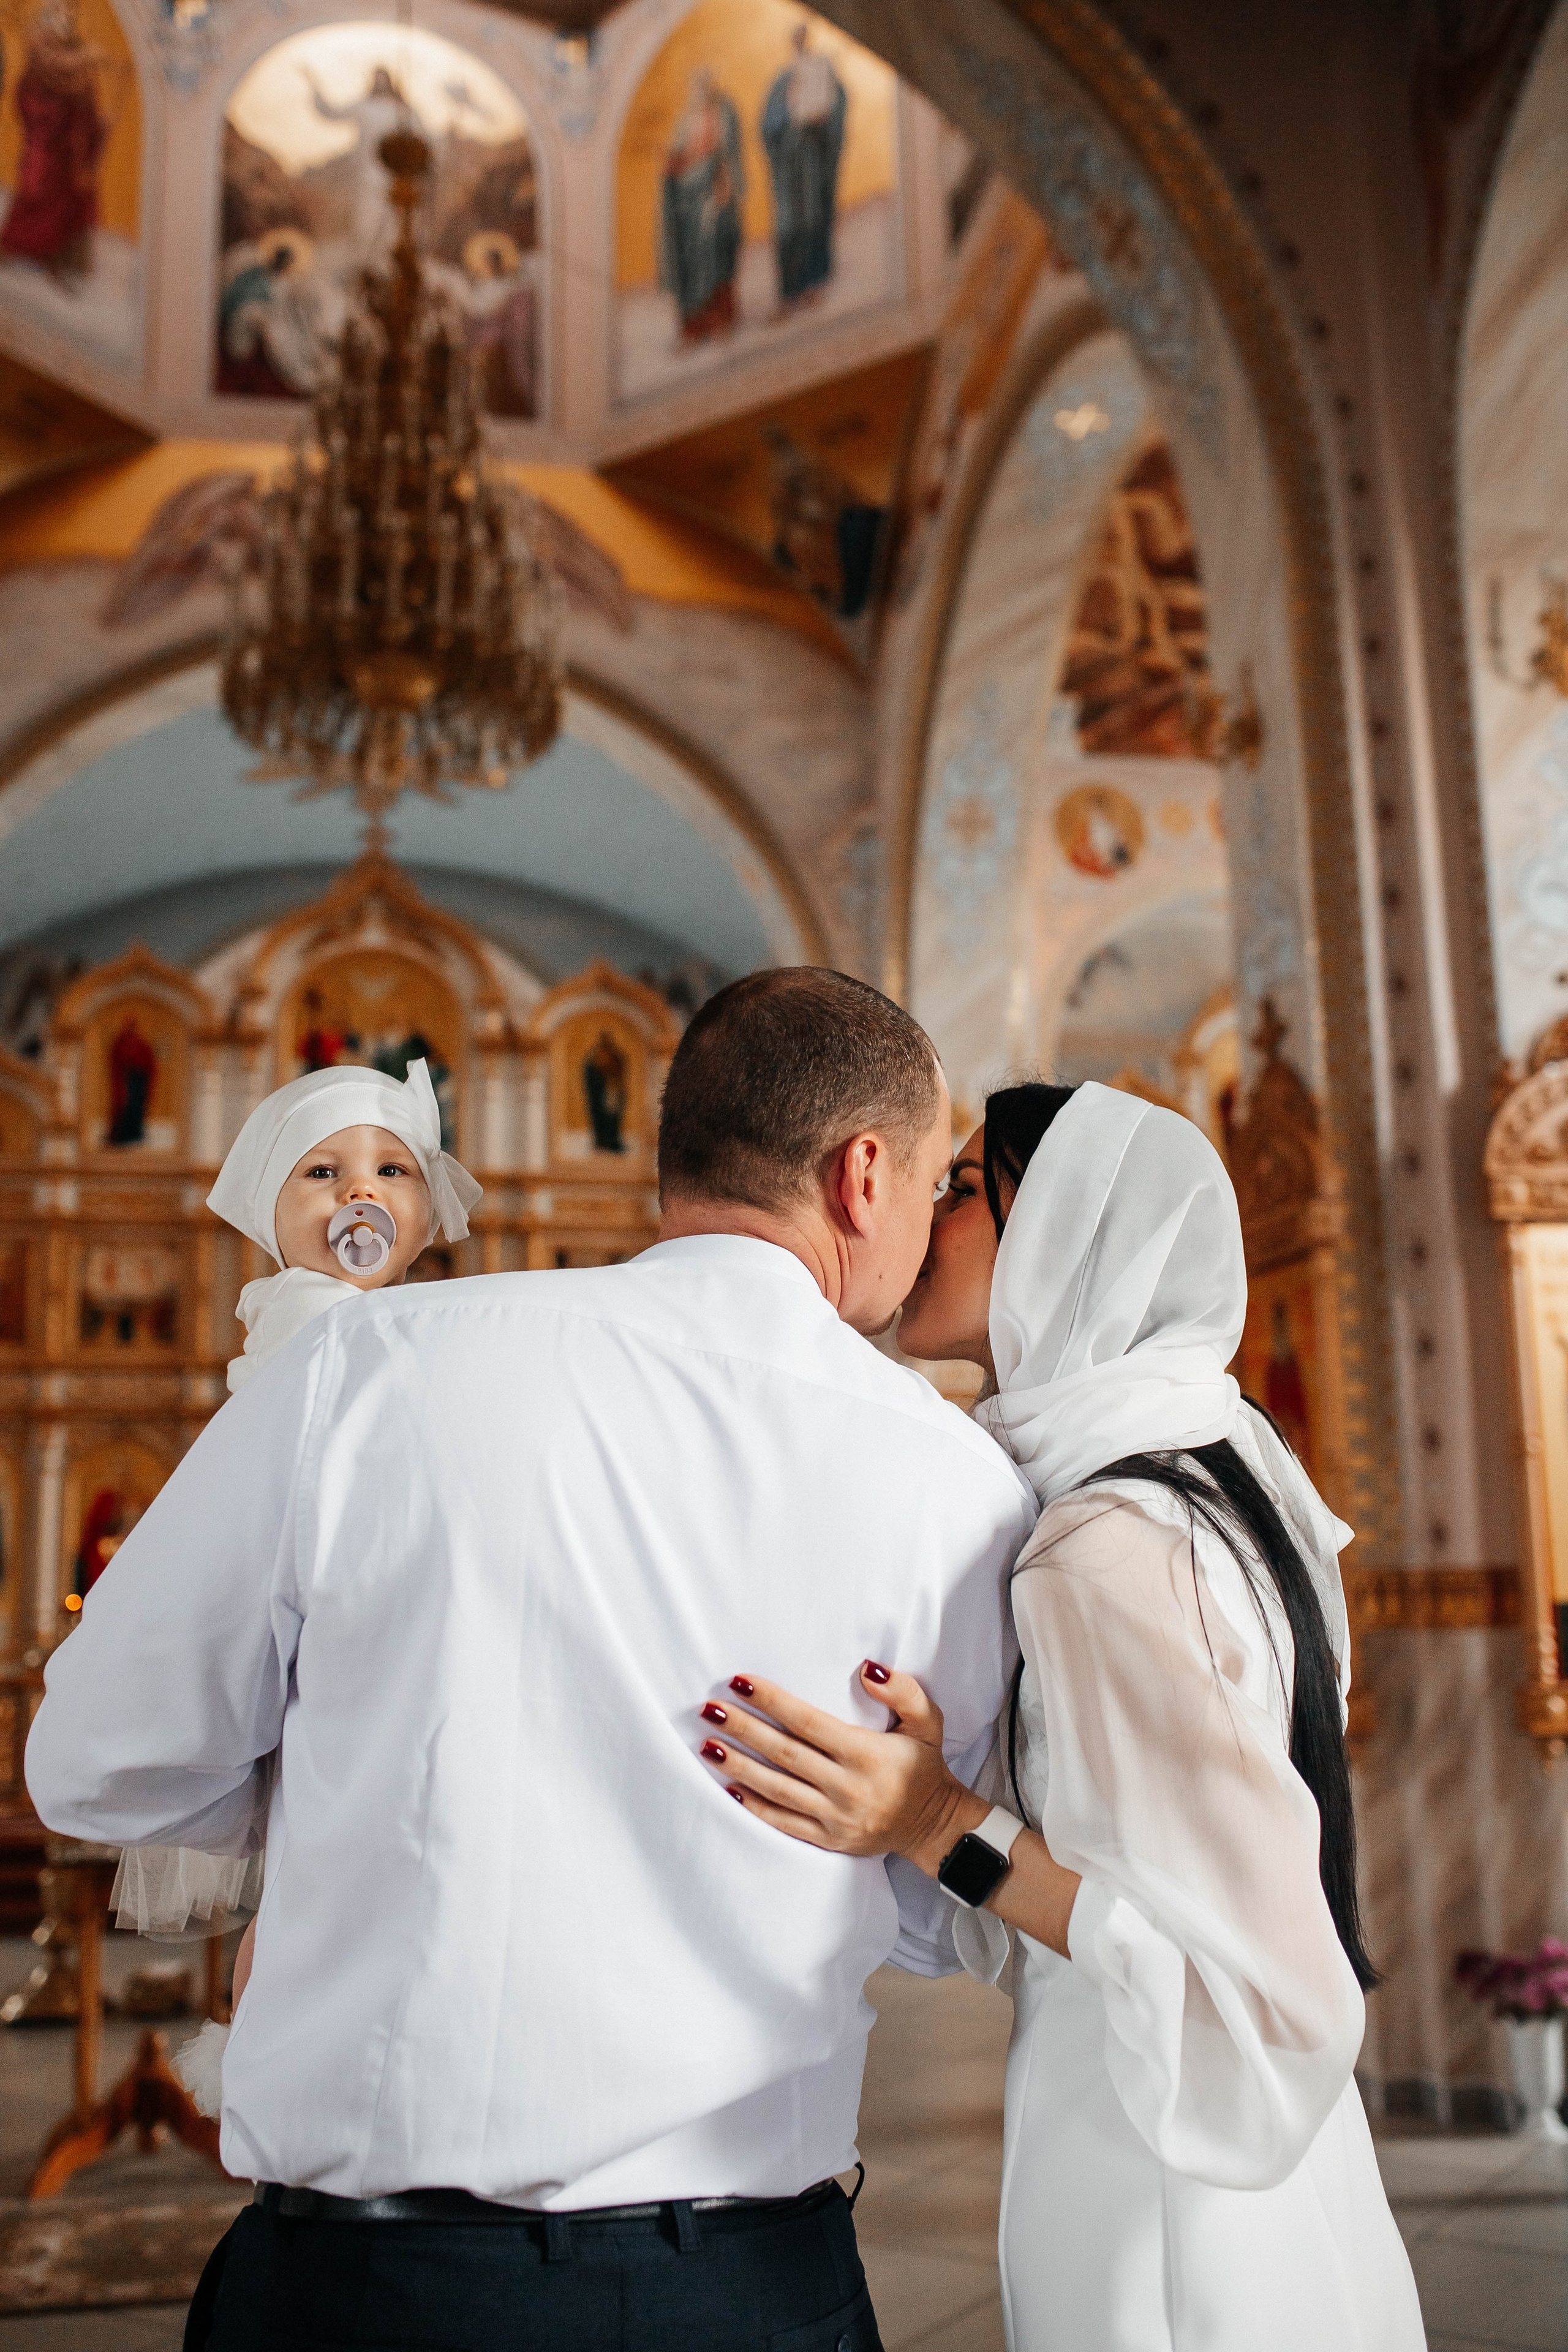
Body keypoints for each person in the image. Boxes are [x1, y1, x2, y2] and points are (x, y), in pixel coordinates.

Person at [26, 968, 1035, 2352]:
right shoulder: (951, 1479)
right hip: (737, 2287)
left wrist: (349, 1774)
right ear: (863, 1175)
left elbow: (94, 1763)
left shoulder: (372, 1362)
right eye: (932, 1179)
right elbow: (939, 1922)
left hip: (369, 2292)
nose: (923, 1225)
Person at [706, 1080, 1426, 2352]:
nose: (926, 1216)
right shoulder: (1196, 1472)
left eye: (964, 1189)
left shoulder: (1108, 1544)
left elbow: (1247, 1985)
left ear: (1062, 1237)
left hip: (1174, 2187)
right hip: (1219, 2156)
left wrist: (938, 1822)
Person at [110, 1058, 481, 2116]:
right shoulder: (305, 1324)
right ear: (270, 1212)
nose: (360, 1193)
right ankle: (284, 2070)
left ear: (429, 1206)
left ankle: (310, 2061)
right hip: (317, 1626)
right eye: (323, 1171)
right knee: (317, 1870)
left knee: (339, 1873)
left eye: (393, 1171)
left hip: (378, 1628)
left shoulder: (408, 1331)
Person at [761, 24, 846, 314]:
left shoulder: (822, 72)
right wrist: (789, 114)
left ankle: (813, 283)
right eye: (794, 39)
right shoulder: (782, 82)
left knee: (812, 220)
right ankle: (790, 291)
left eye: (801, 38)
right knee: (787, 229)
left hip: (812, 163)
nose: (798, 43)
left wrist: (824, 116)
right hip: (788, 169)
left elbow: (837, 108)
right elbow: (768, 124)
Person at [660, 66, 744, 343]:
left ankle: (719, 319)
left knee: (716, 255)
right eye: (695, 88)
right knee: (691, 261)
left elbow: (725, 156)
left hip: (711, 197)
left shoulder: (722, 115)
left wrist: (724, 188)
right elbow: (680, 153)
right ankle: (694, 325)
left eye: (703, 87)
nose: (699, 93)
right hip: (688, 204)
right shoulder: (685, 121)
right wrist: (674, 163)